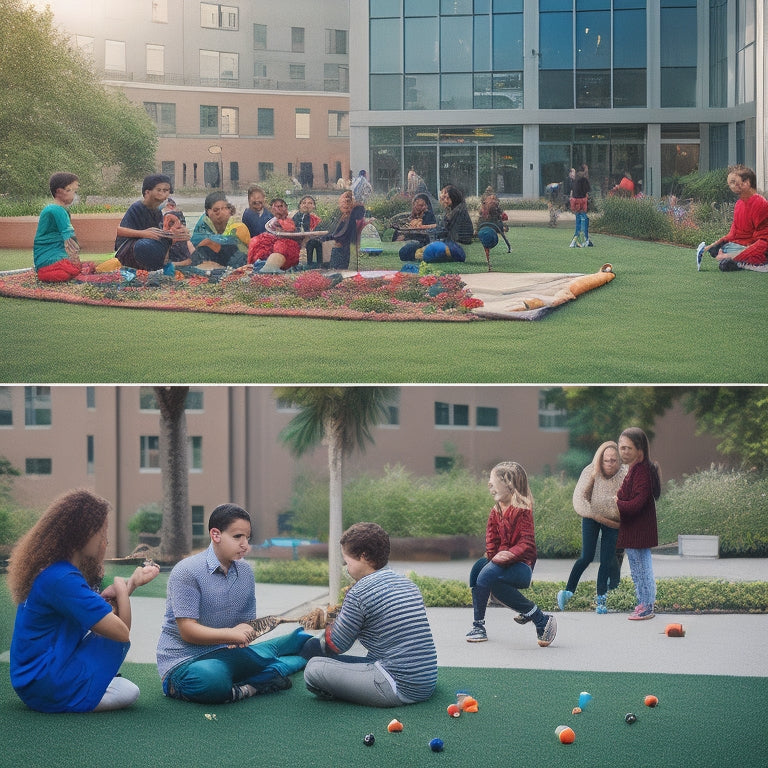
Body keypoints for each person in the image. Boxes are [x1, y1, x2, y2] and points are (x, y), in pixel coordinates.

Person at [8, 489, 161, 713]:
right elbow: (120, 633)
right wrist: (120, 584)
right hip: (45, 684)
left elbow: (88, 612)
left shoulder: (55, 571)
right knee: (128, 690)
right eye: (102, 532)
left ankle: (89, 682)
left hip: (33, 678)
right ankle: (80, 691)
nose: (105, 541)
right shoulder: (62, 579)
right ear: (85, 534)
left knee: (120, 682)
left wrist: (132, 584)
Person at [156, 503, 311, 704]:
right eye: (238, 537)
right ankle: (253, 685)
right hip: (185, 662)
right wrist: (231, 634)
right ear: (216, 535)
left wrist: (243, 630)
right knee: (213, 679)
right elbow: (187, 630)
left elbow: (247, 623)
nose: (245, 544)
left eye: (247, 537)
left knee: (301, 643)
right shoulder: (187, 571)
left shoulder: (245, 572)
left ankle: (304, 646)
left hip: (227, 652)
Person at [301, 522, 437, 707]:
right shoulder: (408, 584)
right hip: (426, 682)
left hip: (397, 687)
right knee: (354, 660)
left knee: (314, 668)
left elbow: (338, 644)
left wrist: (318, 636)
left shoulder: (359, 592)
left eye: (347, 562)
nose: (346, 568)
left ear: (363, 556)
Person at [465, 462, 557, 647]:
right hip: (502, 563)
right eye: (489, 483)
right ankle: (540, 619)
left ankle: (478, 626)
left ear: (510, 484)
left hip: (521, 566)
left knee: (488, 574)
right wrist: (493, 558)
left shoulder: (522, 510)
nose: (489, 486)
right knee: (478, 571)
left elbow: (527, 543)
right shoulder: (496, 511)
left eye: (493, 482)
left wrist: (508, 555)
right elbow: (491, 541)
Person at [557, 442, 627, 614]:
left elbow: (627, 501)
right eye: (606, 460)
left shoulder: (625, 474)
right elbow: (579, 498)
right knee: (586, 556)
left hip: (613, 521)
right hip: (591, 516)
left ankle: (601, 598)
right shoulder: (591, 471)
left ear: (619, 460)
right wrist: (595, 514)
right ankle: (568, 591)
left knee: (606, 558)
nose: (610, 463)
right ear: (600, 460)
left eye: (613, 460)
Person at [616, 428, 662, 621]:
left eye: (628, 448)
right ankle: (643, 603)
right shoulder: (634, 469)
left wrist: (617, 503)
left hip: (639, 531)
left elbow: (635, 504)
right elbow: (623, 494)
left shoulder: (642, 471)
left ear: (640, 450)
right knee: (637, 568)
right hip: (634, 530)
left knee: (642, 568)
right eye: (621, 447)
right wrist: (619, 499)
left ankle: (647, 606)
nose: (623, 451)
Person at [699, 165, 768, 271]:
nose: (731, 186)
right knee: (723, 248)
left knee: (729, 253)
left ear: (747, 182)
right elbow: (734, 233)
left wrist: (731, 256)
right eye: (730, 183)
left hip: (759, 248)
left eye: (733, 182)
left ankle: (747, 263)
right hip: (743, 246)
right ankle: (741, 261)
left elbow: (764, 241)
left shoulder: (760, 204)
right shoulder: (739, 204)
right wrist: (715, 245)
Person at [115, 174, 188, 270]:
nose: (163, 194)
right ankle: (155, 267)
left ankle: (164, 265)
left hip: (151, 243)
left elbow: (159, 232)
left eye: (166, 191)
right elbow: (120, 231)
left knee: (180, 242)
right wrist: (143, 233)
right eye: (159, 190)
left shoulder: (157, 212)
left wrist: (175, 235)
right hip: (130, 248)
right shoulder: (137, 207)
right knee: (145, 246)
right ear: (147, 192)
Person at [33, 172, 91, 282]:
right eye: (72, 191)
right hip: (49, 260)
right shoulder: (56, 210)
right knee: (72, 271)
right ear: (59, 191)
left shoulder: (59, 209)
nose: (75, 195)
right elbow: (69, 239)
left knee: (80, 268)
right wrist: (76, 263)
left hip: (54, 257)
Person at [401, 184, 473, 263]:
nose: (444, 200)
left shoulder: (458, 211)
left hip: (455, 246)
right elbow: (441, 228)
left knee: (421, 250)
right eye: (444, 198)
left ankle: (415, 255)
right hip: (449, 244)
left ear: (454, 198)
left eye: (447, 198)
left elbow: (444, 230)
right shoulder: (453, 210)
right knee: (407, 250)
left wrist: (424, 228)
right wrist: (423, 227)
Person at [190, 191, 249, 268]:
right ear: (208, 212)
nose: (221, 213)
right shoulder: (203, 225)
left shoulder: (236, 225)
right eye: (216, 210)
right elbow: (202, 241)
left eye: (225, 208)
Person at [247, 198, 302, 271]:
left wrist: (282, 229)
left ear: (286, 207)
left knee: (280, 246)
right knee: (256, 241)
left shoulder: (290, 220)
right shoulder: (271, 220)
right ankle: (257, 265)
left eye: (280, 206)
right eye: (275, 206)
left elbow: (292, 231)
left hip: (285, 241)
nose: (278, 208)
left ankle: (270, 267)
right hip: (271, 239)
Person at [320, 190, 366, 269]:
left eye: (348, 201)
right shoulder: (340, 216)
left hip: (342, 248)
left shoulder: (352, 217)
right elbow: (331, 229)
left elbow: (359, 212)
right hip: (337, 248)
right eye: (343, 201)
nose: (345, 203)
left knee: (338, 269)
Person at [292, 195, 323, 268]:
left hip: (309, 241)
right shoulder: (293, 216)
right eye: (304, 203)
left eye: (310, 203)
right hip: (294, 239)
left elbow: (318, 232)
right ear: (300, 205)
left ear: (314, 206)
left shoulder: (315, 219)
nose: (306, 205)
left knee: (316, 243)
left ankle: (317, 266)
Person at [569, 164, 593, 248]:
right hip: (582, 200)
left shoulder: (576, 178)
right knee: (584, 219)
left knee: (578, 219)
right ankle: (585, 239)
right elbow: (588, 189)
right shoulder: (584, 179)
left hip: (575, 200)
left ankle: (576, 239)